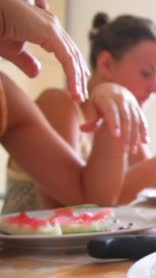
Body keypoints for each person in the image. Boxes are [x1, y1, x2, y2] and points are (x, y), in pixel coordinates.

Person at [2, 12, 156, 213]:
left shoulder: (122, 123)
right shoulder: (59, 105)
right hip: (29, 255)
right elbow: (78, 208)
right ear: (106, 64)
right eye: (146, 74)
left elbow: (153, 186)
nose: (155, 89)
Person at [0, 0, 146, 210]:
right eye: (146, 74)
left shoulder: (7, 95)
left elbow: (88, 201)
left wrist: (117, 103)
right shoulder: (58, 103)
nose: (38, 5)